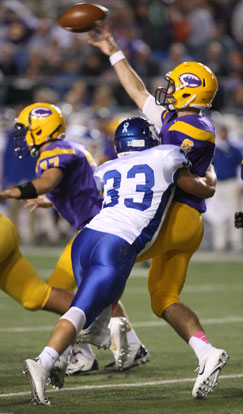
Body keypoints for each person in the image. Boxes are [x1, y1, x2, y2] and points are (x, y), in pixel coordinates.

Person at [22, 116, 216, 406]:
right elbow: (201, 187)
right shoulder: (166, 155)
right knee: (81, 312)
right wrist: (209, 171)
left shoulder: (107, 166)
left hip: (85, 239)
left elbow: (87, 194)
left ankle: (68, 357)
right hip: (117, 244)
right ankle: (45, 360)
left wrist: (50, 200)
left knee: (96, 312)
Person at [88, 24, 229, 399]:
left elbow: (181, 178)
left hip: (175, 218)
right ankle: (206, 350)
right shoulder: (179, 120)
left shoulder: (194, 127)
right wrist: (112, 49)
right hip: (184, 223)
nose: (164, 91)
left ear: (189, 90)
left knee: (99, 259)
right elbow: (136, 91)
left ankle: (95, 329)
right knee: (163, 299)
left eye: (174, 84)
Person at [0, 102, 150, 375]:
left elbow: (48, 181)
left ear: (40, 129)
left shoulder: (55, 150)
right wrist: (50, 200)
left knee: (65, 292)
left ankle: (82, 354)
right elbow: (73, 187)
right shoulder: (67, 148)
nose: (22, 135)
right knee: (100, 294)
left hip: (95, 230)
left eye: (26, 129)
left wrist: (9, 193)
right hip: (99, 226)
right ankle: (131, 345)